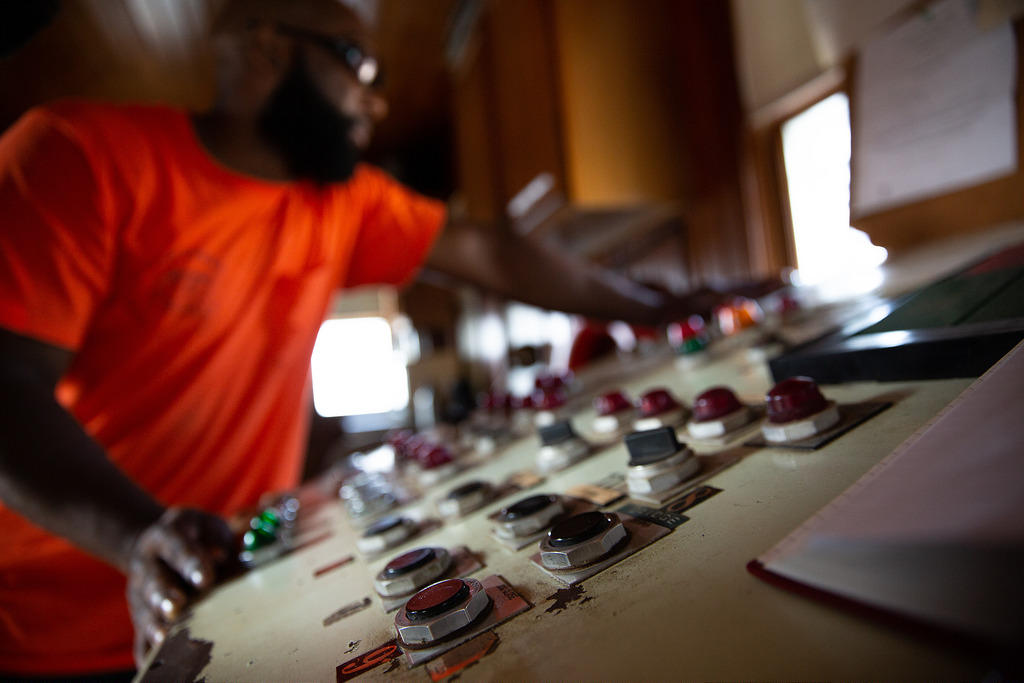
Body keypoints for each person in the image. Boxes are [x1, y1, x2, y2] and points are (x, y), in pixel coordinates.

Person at [0, 0, 717, 678]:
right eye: (359, 66)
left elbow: (491, 253)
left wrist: (661, 306)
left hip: (240, 602)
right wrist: (141, 539)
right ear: (265, 48)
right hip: (62, 639)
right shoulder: (80, 154)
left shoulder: (340, 201)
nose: (374, 102)